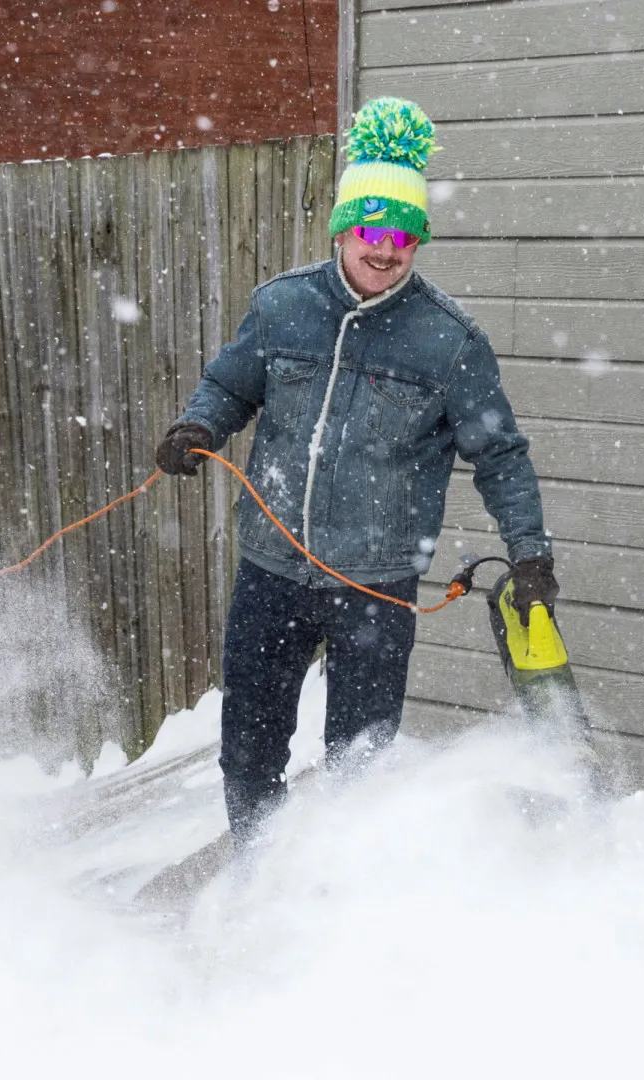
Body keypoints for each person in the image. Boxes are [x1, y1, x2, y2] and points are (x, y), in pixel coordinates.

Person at [154, 98, 557, 842]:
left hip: (375, 585)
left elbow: (500, 454)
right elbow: (231, 385)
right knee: (248, 751)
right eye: (372, 229)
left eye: (404, 234)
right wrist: (199, 423)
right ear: (345, 228)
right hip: (272, 572)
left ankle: (340, 916)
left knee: (360, 771)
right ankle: (255, 882)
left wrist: (530, 553)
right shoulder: (282, 308)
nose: (386, 249)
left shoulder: (449, 341)